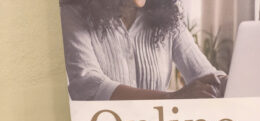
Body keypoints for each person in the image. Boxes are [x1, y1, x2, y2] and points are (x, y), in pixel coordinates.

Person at [59, 0, 226, 101]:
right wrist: (172, 98)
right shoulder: (72, 13)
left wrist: (228, 83)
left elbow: (206, 74)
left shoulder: (168, 14)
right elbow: (88, 86)